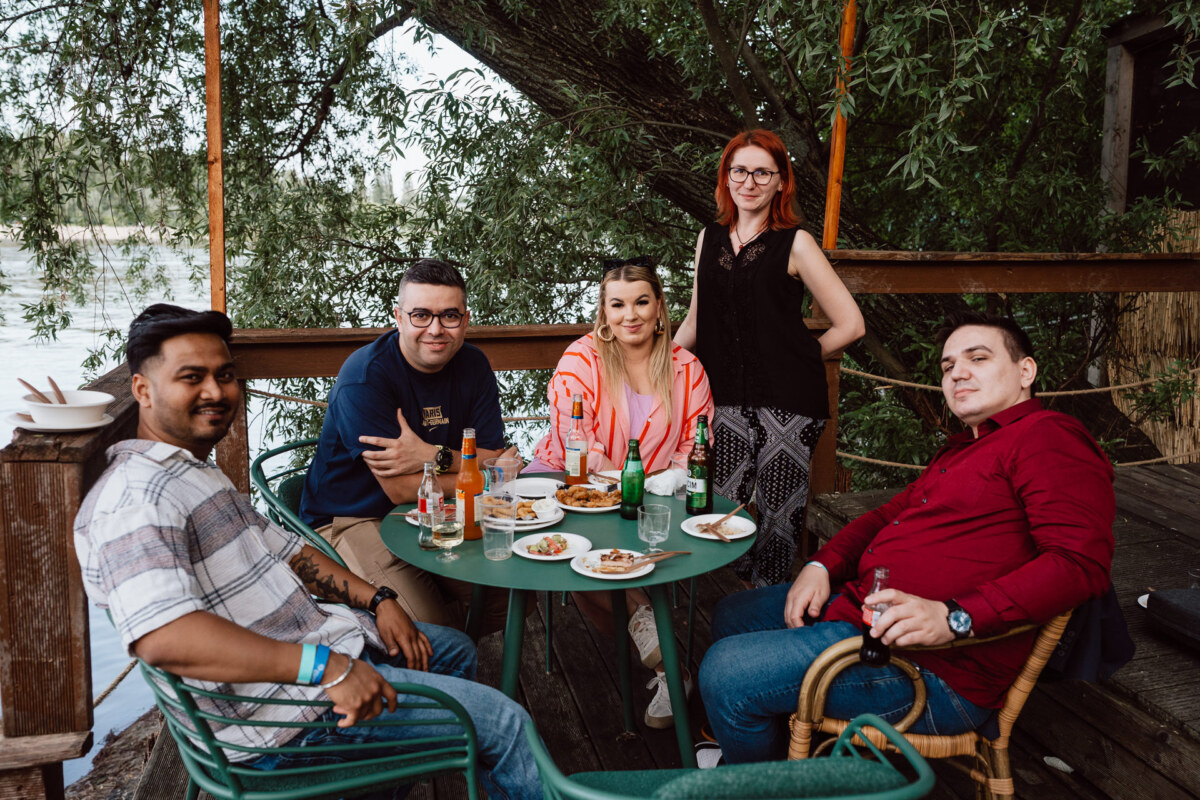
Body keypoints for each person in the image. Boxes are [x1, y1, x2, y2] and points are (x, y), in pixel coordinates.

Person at [74, 304, 542, 799]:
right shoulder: (135, 500)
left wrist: (379, 600)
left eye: (225, 375)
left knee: (450, 650)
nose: (215, 391)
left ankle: (382, 779)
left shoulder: (192, 472)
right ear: (142, 390)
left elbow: (292, 551)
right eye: (192, 377)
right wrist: (327, 668)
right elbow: (164, 637)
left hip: (312, 658)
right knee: (507, 726)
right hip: (278, 726)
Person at [696, 311, 1115, 765]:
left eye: (978, 357)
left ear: (1025, 371)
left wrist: (955, 617)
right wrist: (820, 565)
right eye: (948, 365)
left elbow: (1078, 564)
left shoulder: (1047, 437)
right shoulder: (964, 450)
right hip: (865, 616)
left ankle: (768, 779)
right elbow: (885, 517)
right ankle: (773, 747)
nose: (958, 372)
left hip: (932, 669)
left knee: (727, 673)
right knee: (733, 613)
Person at [674, 129, 865, 588]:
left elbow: (851, 324)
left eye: (763, 172)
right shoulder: (709, 238)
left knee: (779, 516)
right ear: (726, 178)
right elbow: (696, 321)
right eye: (739, 171)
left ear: (782, 182)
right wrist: (659, 366)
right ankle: (729, 601)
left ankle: (769, 612)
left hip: (789, 402)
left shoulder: (794, 243)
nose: (750, 181)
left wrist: (797, 358)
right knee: (721, 505)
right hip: (724, 399)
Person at [528, 261, 714, 729]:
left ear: (659, 309)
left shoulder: (687, 368)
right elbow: (576, 443)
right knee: (575, 552)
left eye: (641, 302)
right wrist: (615, 487)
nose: (629, 315)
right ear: (604, 313)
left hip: (651, 489)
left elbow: (696, 443)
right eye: (617, 304)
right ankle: (664, 661)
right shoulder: (580, 358)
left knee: (604, 555)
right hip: (567, 478)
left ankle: (654, 650)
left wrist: (671, 476)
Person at [300, 259, 518, 633]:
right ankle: (431, 659)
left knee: (510, 599)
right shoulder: (365, 377)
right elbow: (402, 488)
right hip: (355, 518)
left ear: (465, 321)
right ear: (399, 317)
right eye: (421, 315)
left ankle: (448, 659)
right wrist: (486, 473)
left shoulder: (474, 364)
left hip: (439, 511)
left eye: (449, 316)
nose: (435, 329)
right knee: (430, 631)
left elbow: (493, 454)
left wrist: (431, 456)